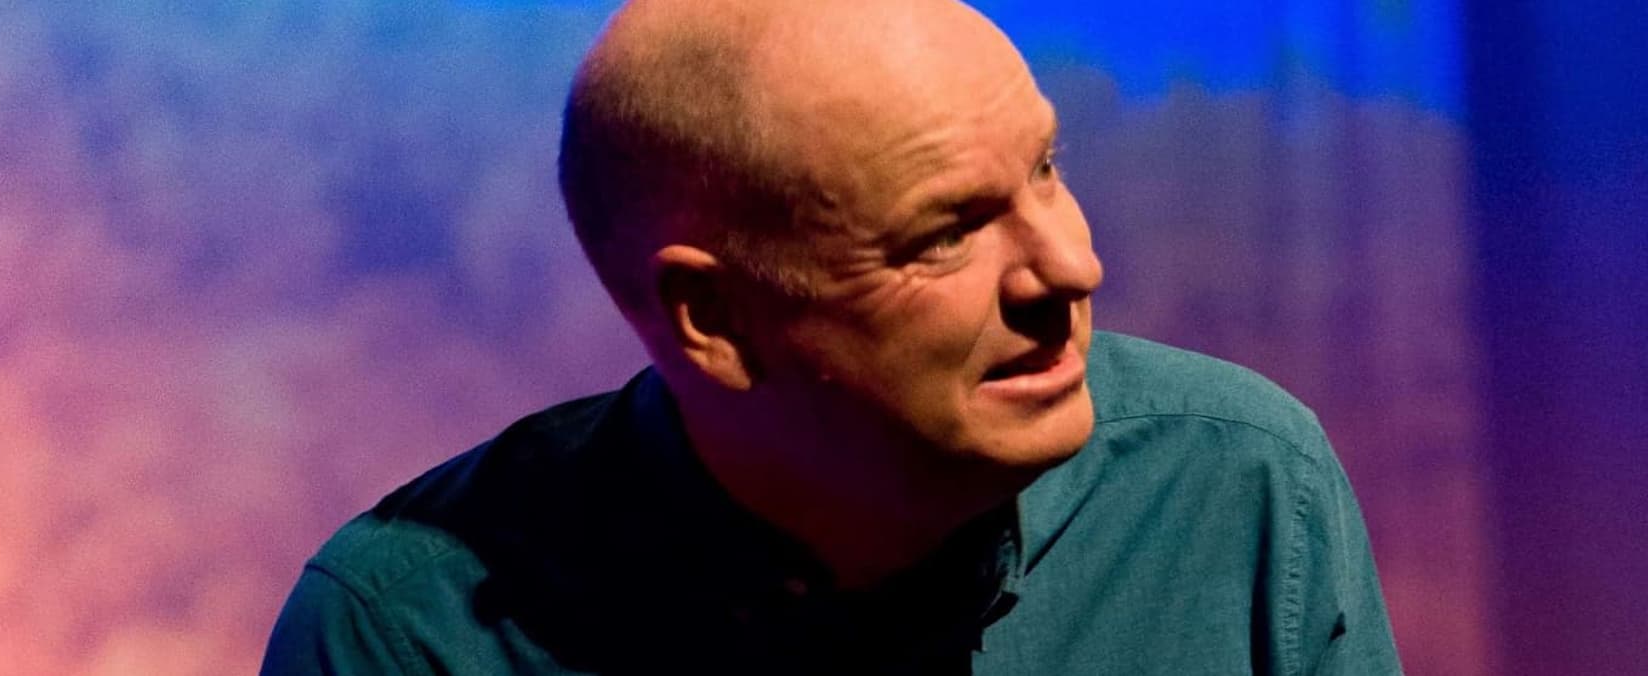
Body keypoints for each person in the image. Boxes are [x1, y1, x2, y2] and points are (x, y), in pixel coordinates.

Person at [260, 0, 1402, 673]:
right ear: (713, 319)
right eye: (946, 233)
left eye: (1047, 169)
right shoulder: (401, 632)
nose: (1069, 267)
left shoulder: (1238, 485)